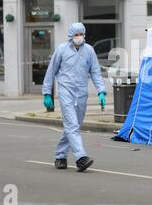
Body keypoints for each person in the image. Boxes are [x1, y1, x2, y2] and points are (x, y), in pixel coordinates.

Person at [42, 22, 106, 172]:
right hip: (65, 91)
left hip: (81, 94)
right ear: (71, 36)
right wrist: (47, 93)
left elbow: (95, 72)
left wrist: (101, 91)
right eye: (76, 35)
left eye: (81, 34)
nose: (79, 37)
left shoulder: (89, 50)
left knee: (73, 126)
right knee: (72, 125)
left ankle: (60, 156)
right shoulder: (62, 50)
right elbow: (51, 71)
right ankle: (81, 158)